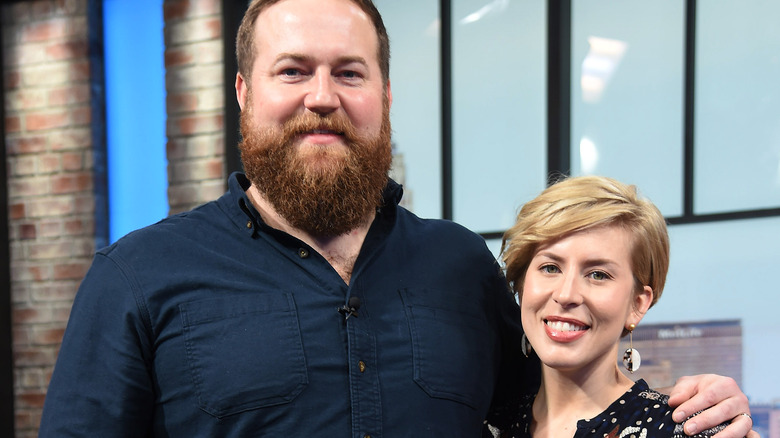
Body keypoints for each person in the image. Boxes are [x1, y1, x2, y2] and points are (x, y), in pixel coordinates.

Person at [38, 0, 755, 436]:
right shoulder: (138, 277)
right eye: (293, 70)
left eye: (349, 73)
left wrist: (689, 403)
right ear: (244, 92)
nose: (323, 96)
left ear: (384, 92)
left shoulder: (462, 267)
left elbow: (558, 402)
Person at [497, 175, 735, 438]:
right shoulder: (481, 425)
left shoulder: (689, 430)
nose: (566, 295)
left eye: (597, 274)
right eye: (550, 267)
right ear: (521, 286)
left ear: (637, 304)